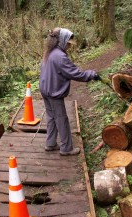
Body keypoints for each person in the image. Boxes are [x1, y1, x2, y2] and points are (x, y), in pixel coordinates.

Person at [39, 27, 101, 156]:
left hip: (45, 89)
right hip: (53, 92)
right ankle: (66, 148)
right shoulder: (60, 56)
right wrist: (91, 75)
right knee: (61, 119)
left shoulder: (50, 52)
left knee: (51, 117)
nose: (70, 46)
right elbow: (75, 73)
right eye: (68, 43)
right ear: (62, 41)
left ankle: (50, 143)